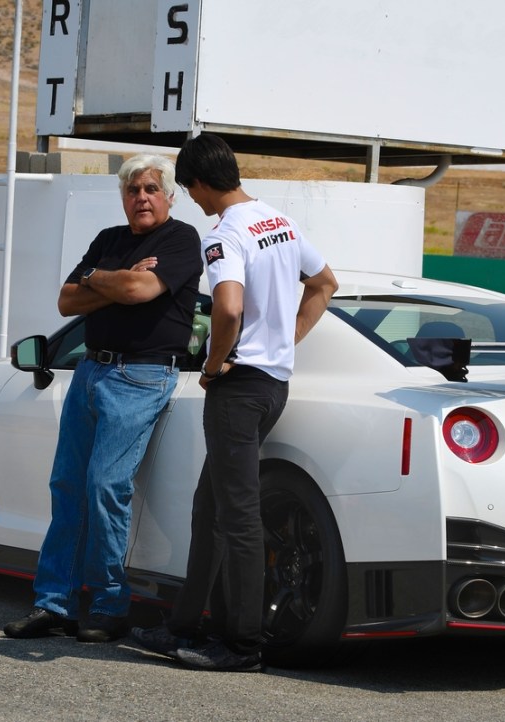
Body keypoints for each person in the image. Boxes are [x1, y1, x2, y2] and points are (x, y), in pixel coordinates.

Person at [131, 134, 338, 671]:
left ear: (199, 183)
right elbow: (324, 283)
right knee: (211, 508)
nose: (193, 201)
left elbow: (226, 308)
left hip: (239, 388)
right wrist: (285, 340)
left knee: (239, 517)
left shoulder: (223, 233)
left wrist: (213, 362)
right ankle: (183, 625)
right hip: (272, 385)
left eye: (189, 190)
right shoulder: (279, 221)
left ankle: (243, 644)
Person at [4, 154, 202, 643]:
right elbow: (67, 300)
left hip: (142, 376)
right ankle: (56, 605)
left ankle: (111, 606)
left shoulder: (181, 239)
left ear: (170, 195)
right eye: (133, 190)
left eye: (152, 189)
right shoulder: (109, 240)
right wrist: (108, 279)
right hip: (90, 371)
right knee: (67, 486)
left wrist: (101, 278)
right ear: (122, 197)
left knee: (104, 486)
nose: (141, 198)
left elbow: (138, 288)